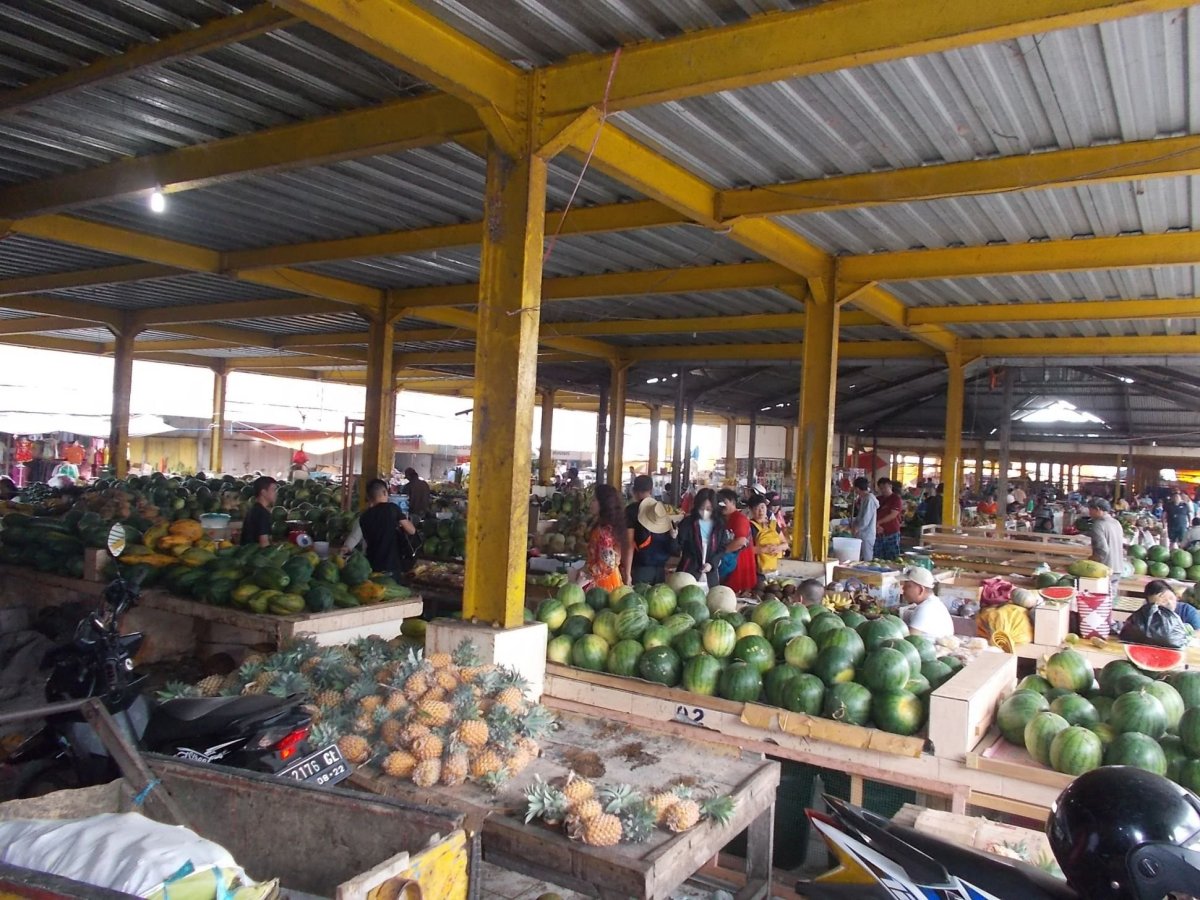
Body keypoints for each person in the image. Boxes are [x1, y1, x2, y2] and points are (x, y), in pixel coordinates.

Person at [343, 478, 419, 577]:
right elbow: (411, 531)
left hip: (371, 566)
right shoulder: (392, 509)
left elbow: (354, 537)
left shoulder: (363, 517)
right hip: (392, 566)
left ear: (369, 497)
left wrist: (345, 548)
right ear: (384, 492)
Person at [624, 476, 677, 585]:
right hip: (661, 568)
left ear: (634, 491)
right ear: (651, 490)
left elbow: (629, 545)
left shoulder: (631, 511)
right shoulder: (661, 509)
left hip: (640, 569)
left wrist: (627, 573)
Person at [674, 488, 725, 587]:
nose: (705, 512)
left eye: (709, 509)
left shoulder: (719, 525)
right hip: (688, 572)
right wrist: (673, 537)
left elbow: (722, 548)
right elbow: (676, 548)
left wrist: (711, 564)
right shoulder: (687, 523)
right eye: (702, 508)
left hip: (711, 576)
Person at [582, 484, 625, 592]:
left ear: (604, 504)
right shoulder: (609, 526)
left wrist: (584, 576)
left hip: (602, 586)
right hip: (611, 581)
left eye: (594, 500)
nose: (590, 503)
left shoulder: (604, 532)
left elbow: (606, 565)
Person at [716, 488, 757, 594]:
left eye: (724, 502)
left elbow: (741, 541)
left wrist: (720, 553)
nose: (721, 505)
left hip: (739, 564)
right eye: (719, 502)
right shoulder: (724, 518)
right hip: (730, 564)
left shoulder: (739, 519)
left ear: (733, 502)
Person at [898, 567, 953, 639]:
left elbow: (909, 641)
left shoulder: (926, 608)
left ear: (921, 590)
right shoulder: (932, 603)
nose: (903, 588)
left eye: (908, 586)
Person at [1129, 579, 1200, 629]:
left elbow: (1198, 633)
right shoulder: (1145, 615)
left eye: (1171, 598)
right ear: (1150, 604)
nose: (1169, 603)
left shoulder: (1187, 611)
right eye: (1163, 601)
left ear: (1176, 596)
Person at [1087, 498, 1125, 589]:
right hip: (1117, 568)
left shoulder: (1098, 525)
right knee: (1111, 599)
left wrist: (1089, 563)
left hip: (1104, 569)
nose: (1089, 513)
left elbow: (1102, 550)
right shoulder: (1116, 523)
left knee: (1101, 600)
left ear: (1097, 509)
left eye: (1090, 510)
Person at [748, 494, 787, 579]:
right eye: (756, 508)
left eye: (762, 507)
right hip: (757, 571)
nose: (761, 511)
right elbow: (745, 550)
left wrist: (778, 547)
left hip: (776, 569)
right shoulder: (749, 526)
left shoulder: (773, 524)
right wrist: (764, 549)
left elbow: (785, 544)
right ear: (751, 510)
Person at [240, 475, 277, 547]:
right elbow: (264, 543)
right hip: (253, 555)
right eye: (273, 490)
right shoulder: (262, 513)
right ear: (263, 492)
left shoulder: (255, 509)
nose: (276, 493)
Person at [875, 477, 903, 560]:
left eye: (885, 487)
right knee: (878, 557)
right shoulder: (878, 499)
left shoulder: (896, 499)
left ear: (890, 486)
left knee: (892, 557)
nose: (883, 490)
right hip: (879, 533)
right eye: (881, 488)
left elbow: (893, 515)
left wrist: (878, 522)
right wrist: (877, 526)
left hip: (892, 532)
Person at [850, 476, 878, 561]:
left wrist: (857, 528)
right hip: (862, 533)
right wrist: (854, 523)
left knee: (867, 558)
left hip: (867, 534)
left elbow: (866, 519)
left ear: (857, 488)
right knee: (861, 558)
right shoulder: (864, 498)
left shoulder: (869, 499)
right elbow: (861, 516)